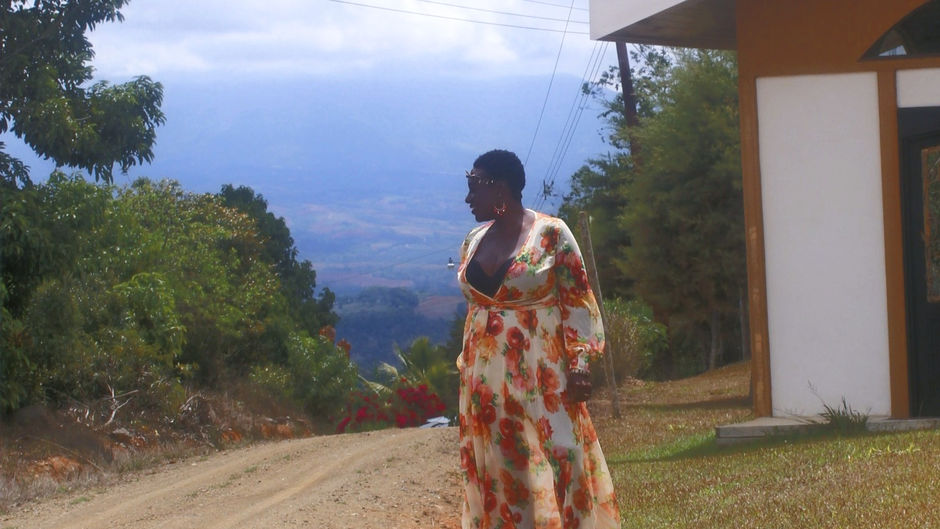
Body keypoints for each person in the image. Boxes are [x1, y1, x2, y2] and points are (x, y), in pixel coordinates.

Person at [456, 149, 620, 529]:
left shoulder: (551, 233)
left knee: (565, 454)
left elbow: (577, 298)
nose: (467, 200)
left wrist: (580, 363)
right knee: (505, 465)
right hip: (487, 380)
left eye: (473, 189)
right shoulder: (472, 240)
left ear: (500, 189)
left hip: (545, 372)